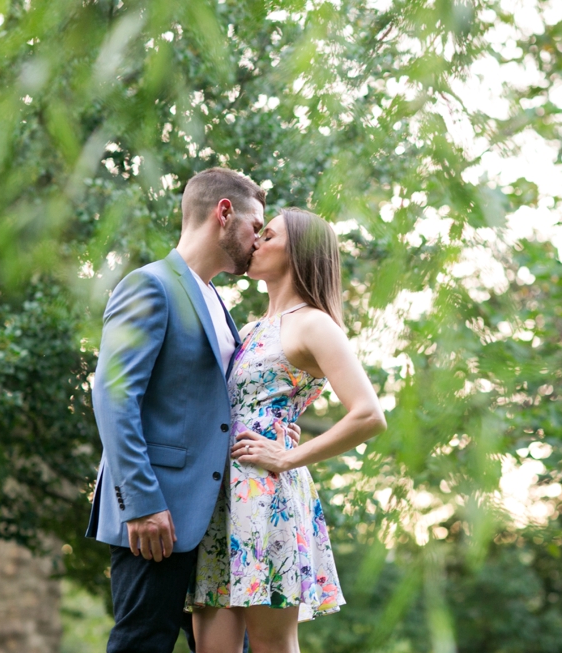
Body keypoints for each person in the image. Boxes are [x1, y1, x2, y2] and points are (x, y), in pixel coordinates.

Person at [86, 167, 300, 653]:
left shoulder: (215, 302)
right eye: (255, 225)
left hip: (218, 524)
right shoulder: (150, 286)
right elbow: (114, 396)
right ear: (224, 213)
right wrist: (141, 502)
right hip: (157, 515)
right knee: (144, 642)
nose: (257, 239)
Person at [188, 208, 387, 653]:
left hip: (266, 497)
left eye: (268, 235)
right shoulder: (253, 326)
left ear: (298, 250)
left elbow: (369, 414)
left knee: (271, 645)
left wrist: (286, 456)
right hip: (218, 498)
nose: (254, 242)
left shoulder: (313, 323)